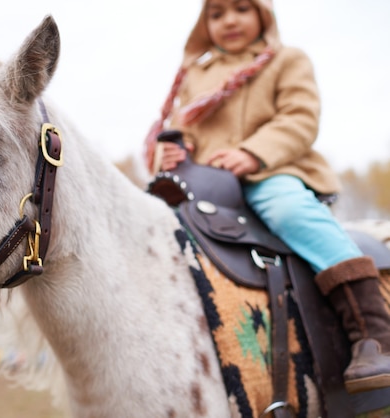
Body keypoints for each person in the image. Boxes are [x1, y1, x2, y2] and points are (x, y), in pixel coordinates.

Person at [145, 0, 390, 394]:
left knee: (290, 212)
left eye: (242, 8)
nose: (229, 20)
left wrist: (252, 153)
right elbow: (181, 129)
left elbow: (299, 118)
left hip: (269, 170)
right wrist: (170, 153)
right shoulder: (195, 76)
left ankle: (373, 332)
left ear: (263, 14)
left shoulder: (286, 60)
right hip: (207, 184)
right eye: (217, 13)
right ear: (204, 24)